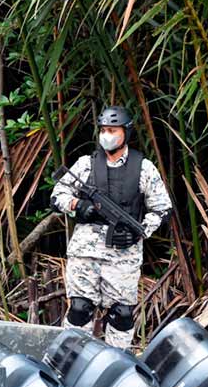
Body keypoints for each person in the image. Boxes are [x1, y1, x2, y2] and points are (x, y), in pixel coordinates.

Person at [50, 105, 172, 349]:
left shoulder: (144, 167)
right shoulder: (86, 164)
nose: (107, 135)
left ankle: (117, 365)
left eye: (112, 130)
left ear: (126, 132)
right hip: (85, 253)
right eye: (104, 130)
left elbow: (162, 209)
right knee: (80, 309)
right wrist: (78, 205)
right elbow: (57, 195)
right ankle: (70, 362)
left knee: (122, 314)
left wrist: (140, 231)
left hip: (123, 256)